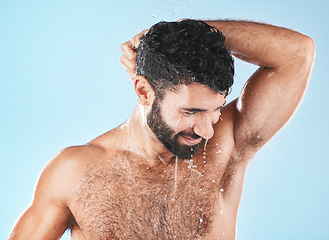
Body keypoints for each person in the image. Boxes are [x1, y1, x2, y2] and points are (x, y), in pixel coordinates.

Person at [8, 19, 315, 240]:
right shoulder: (74, 173)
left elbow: (298, 53)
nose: (207, 130)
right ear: (144, 92)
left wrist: (189, 34)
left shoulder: (227, 143)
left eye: (216, 110)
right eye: (191, 112)